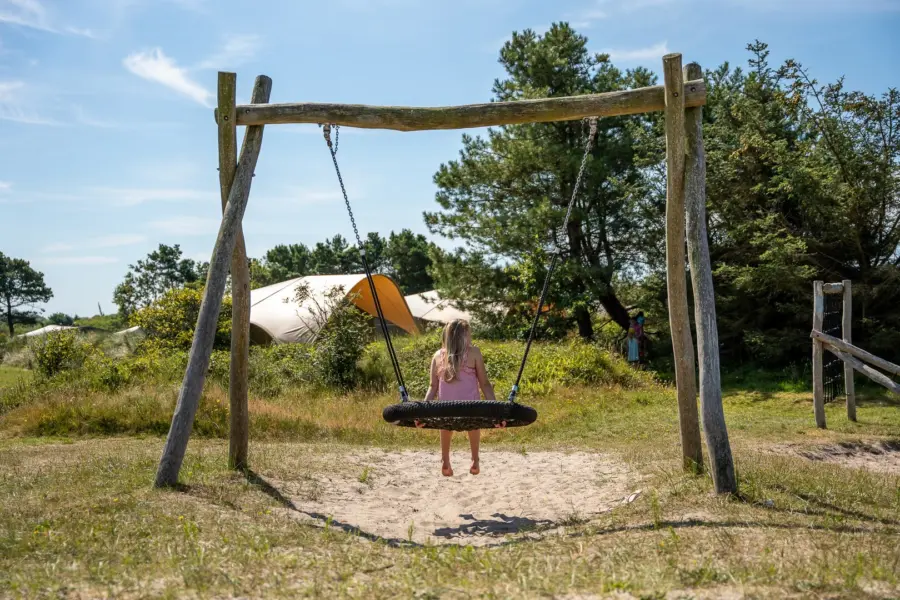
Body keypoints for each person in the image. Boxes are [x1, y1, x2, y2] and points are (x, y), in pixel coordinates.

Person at [418, 319, 504, 477]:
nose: (471, 338)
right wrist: (497, 411)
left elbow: (432, 387)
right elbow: (485, 384)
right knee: (474, 425)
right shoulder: (474, 353)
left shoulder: (437, 356)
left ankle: (445, 460)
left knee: (445, 425)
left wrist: (422, 412)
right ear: (464, 337)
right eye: (469, 334)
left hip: (446, 411)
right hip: (471, 410)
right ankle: (475, 459)